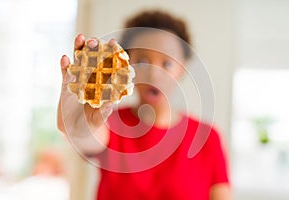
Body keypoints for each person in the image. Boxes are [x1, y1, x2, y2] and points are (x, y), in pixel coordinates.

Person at [57, 10, 231, 200]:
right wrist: (78, 128)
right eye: (142, 61)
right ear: (127, 64)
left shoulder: (207, 138)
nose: (154, 75)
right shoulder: (109, 122)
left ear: (182, 67)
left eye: (167, 63)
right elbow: (88, 137)